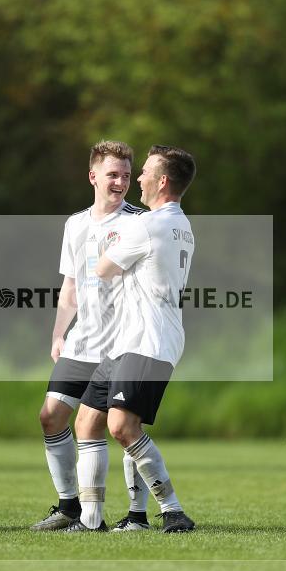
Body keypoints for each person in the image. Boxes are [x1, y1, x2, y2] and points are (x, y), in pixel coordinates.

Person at [69, 145, 197, 533]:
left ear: (162, 181)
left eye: (143, 172)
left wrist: (106, 239)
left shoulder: (147, 224)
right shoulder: (181, 224)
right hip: (133, 339)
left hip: (148, 338)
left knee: (123, 427)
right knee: (88, 422)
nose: (136, 179)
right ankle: (93, 522)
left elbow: (104, 269)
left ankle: (171, 510)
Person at [31, 140, 152, 532]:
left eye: (127, 175)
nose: (121, 182)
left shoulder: (139, 222)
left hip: (123, 342)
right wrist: (58, 333)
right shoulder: (76, 224)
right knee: (51, 417)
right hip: (83, 341)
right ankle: (69, 507)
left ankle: (134, 514)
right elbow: (71, 285)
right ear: (93, 176)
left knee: (120, 427)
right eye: (113, 174)